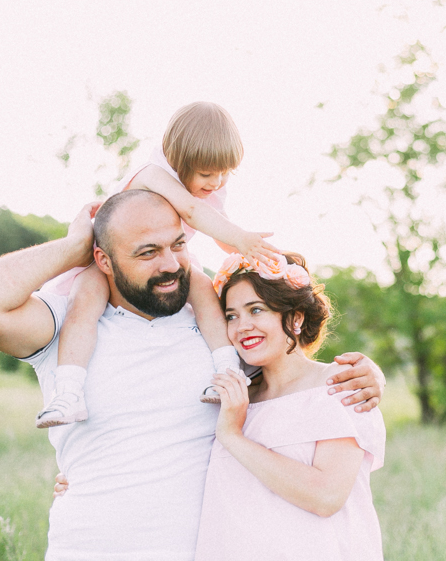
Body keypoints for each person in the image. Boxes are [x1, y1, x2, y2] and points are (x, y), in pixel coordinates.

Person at [0, 191, 385, 560]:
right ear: (102, 259)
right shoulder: (69, 329)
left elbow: (290, 359)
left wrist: (369, 375)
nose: (171, 264)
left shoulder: (220, 329)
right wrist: (72, 246)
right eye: (147, 252)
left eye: (177, 245)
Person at [36, 101, 280, 429]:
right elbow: (193, 212)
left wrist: (251, 252)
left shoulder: (211, 187)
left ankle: (226, 369)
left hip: (165, 259)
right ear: (178, 161)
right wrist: (239, 237)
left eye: (225, 173)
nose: (217, 182)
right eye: (207, 174)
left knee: (205, 291)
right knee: (83, 308)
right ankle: (68, 392)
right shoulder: (154, 175)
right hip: (111, 260)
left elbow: (218, 225)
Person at [194, 252, 384, 560]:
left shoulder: (339, 385)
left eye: (256, 310)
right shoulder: (236, 396)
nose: (242, 327)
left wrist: (232, 436)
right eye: (231, 316)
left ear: (295, 318)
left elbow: (326, 496)